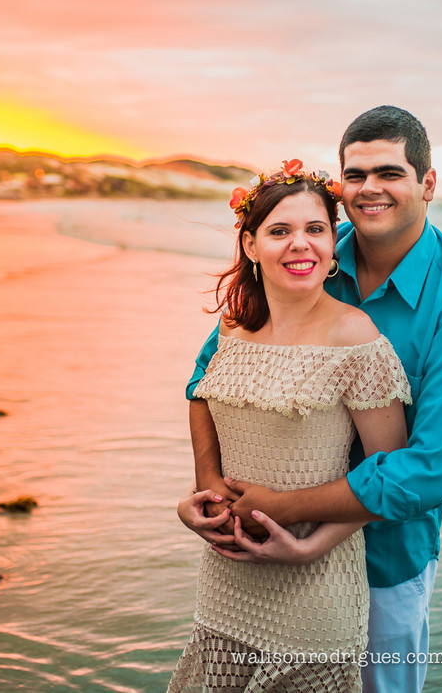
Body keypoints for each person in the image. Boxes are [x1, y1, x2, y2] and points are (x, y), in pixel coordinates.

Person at [180, 106, 442, 692]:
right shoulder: (310, 252)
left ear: (428, 184)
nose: (370, 188)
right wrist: (211, 490)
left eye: (390, 173)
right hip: (250, 549)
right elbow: (209, 373)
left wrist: (285, 511)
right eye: (355, 175)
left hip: (383, 560)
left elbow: (429, 470)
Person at [168, 160, 412, 692]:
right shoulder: (233, 325)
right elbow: (201, 397)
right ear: (251, 245)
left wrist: (312, 546)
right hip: (226, 581)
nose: (300, 244)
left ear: (332, 242)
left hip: (315, 587)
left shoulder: (355, 337)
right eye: (280, 231)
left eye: (315, 229)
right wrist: (202, 491)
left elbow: (389, 471)